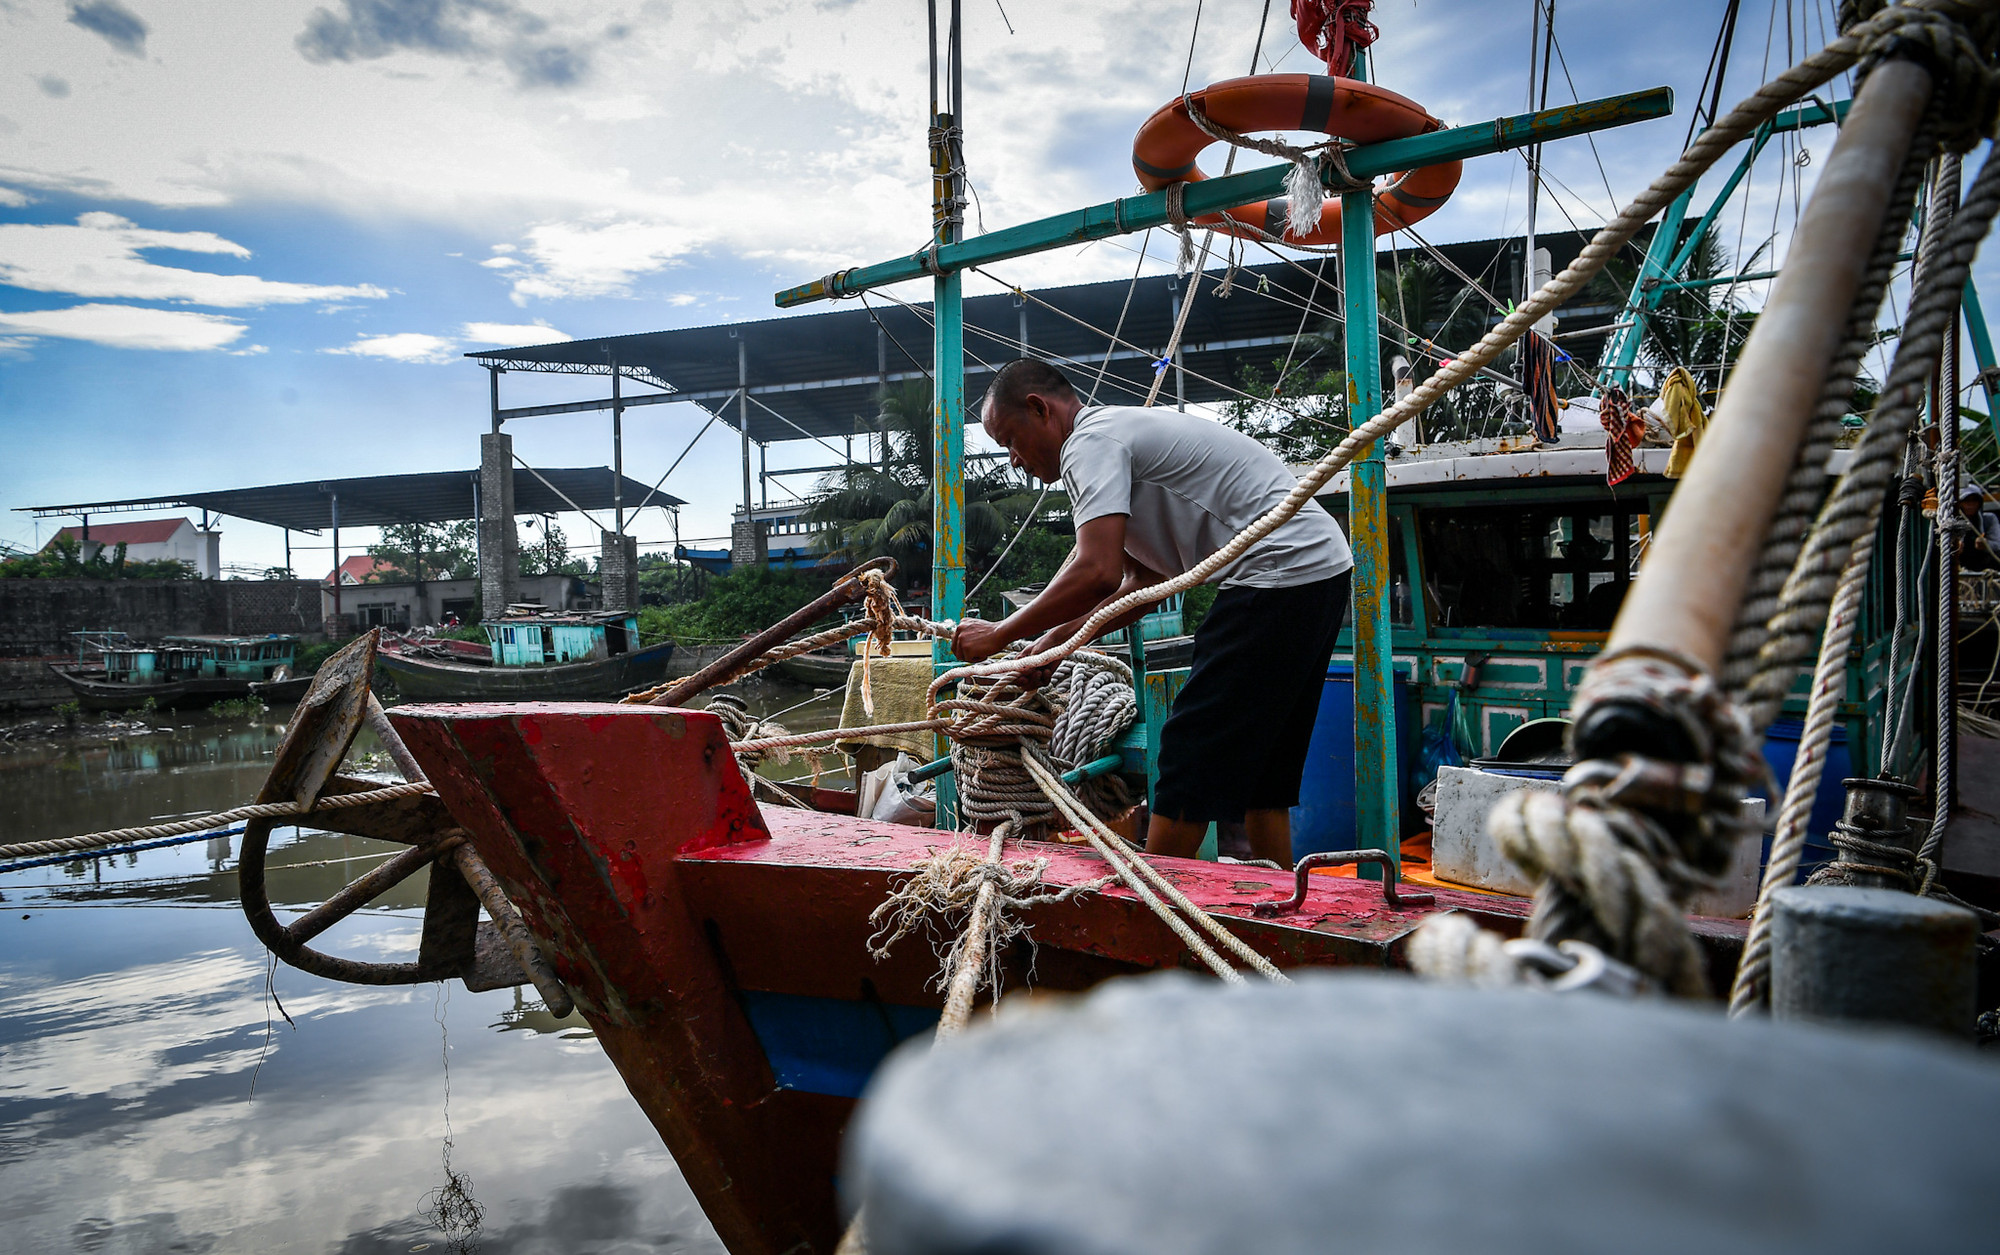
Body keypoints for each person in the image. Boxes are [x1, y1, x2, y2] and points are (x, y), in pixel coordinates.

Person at [952, 359, 1354, 869]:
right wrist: (1054, 644)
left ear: (1040, 409)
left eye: (1011, 439)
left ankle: (1156, 906)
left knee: (1187, 750)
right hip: (1317, 568)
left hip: (1275, 568)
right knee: (1265, 770)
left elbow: (1094, 570)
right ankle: (1284, 899)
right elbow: (1141, 584)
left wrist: (1001, 634)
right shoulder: (1114, 438)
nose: (1014, 460)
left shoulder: (1089, 443)